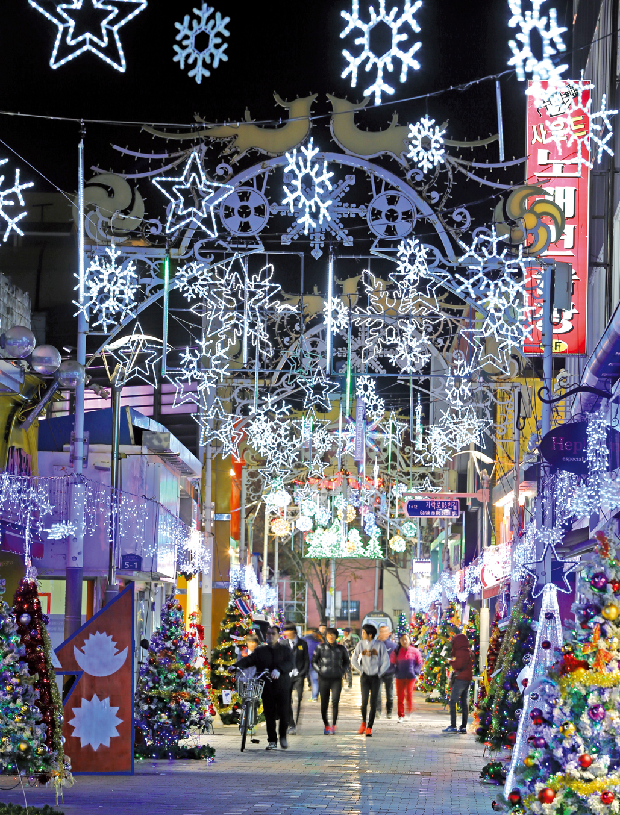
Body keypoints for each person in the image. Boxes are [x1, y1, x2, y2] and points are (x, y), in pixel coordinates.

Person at [235, 625, 294, 750]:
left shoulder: (285, 649)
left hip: (282, 686)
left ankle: (282, 736)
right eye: (268, 633)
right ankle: (272, 740)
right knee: (269, 714)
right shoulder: (261, 651)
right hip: (267, 686)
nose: (270, 636)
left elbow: (290, 663)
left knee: (284, 713)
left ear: (278, 635)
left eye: (273, 633)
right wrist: (236, 666)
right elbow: (249, 660)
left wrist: (279, 670)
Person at [351, 623, 389, 737]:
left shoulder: (380, 645)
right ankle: (363, 723)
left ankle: (369, 727)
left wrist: (380, 672)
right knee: (363, 702)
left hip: (376, 677)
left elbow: (386, 661)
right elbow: (354, 659)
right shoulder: (361, 644)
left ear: (370, 634)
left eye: (363, 632)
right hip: (365, 677)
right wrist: (360, 670)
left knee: (373, 702)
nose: (362, 634)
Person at [312, 626, 349, 734]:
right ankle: (326, 724)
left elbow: (346, 662)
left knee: (335, 701)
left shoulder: (341, 649)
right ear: (326, 636)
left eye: (333, 635)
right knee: (324, 702)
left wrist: (342, 671)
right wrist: (319, 670)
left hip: (337, 679)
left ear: (336, 636)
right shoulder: (320, 648)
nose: (331, 637)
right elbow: (314, 661)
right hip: (323, 678)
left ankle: (334, 724)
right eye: (329, 635)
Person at [443, 632, 473, 734]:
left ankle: (453, 725)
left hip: (460, 679)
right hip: (467, 679)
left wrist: (451, 662)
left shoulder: (460, 652)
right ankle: (463, 726)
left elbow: (458, 665)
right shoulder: (469, 652)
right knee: (464, 702)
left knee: (453, 701)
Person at [283, 622, 310, 735]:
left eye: (288, 630)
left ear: (293, 631)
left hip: (299, 675)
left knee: (299, 698)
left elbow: (306, 660)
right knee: (287, 700)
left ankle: (297, 720)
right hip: (287, 676)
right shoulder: (283, 643)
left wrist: (303, 673)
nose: (286, 633)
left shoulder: (302, 643)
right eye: (285, 631)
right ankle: (291, 723)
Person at [390, 633, 423, 721]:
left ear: (409, 640)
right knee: (400, 697)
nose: (404, 641)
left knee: (409, 695)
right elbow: (391, 662)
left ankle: (409, 712)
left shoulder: (415, 651)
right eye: (402, 639)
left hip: (410, 677)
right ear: (400, 641)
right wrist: (394, 671)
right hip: (399, 677)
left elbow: (419, 662)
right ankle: (401, 715)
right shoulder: (396, 651)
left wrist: (415, 671)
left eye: (406, 639)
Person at [376, 624, 396, 719]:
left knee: (390, 693)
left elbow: (397, 658)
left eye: (385, 632)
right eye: (381, 631)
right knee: (377, 693)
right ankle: (378, 711)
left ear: (389, 633)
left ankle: (389, 712)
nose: (383, 633)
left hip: (389, 672)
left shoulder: (393, 646)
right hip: (377, 673)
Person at [304, 628, 322, 701]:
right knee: (315, 681)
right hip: (315, 664)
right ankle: (315, 697)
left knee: (314, 681)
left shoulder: (307, 639)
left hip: (309, 664)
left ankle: (315, 696)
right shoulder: (319, 642)